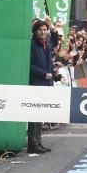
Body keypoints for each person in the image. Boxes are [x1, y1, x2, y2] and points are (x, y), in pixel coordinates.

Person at [28, 19, 57, 154]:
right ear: (35, 31)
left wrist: (53, 72)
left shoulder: (47, 44)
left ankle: (38, 142)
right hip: (36, 82)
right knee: (34, 114)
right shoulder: (32, 44)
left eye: (45, 30)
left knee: (41, 113)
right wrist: (43, 73)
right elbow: (30, 65)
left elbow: (55, 43)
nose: (43, 32)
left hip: (46, 82)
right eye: (40, 30)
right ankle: (32, 143)